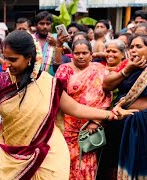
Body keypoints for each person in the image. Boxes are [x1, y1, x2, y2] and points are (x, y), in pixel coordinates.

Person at [0, 30, 137, 179]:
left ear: (29, 57)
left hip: (48, 156)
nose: (7, 63)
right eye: (5, 57)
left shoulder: (48, 83)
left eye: (13, 59)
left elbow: (76, 108)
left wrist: (111, 114)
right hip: (13, 160)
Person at [103, 34, 147, 179]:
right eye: (131, 47)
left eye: (138, 46)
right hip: (120, 124)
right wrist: (128, 69)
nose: (133, 50)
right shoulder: (126, 64)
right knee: (114, 163)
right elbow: (107, 85)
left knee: (144, 166)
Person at [55, 39, 112, 179]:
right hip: (66, 126)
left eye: (84, 53)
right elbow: (56, 96)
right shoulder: (64, 69)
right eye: (77, 53)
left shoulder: (100, 70)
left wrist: (96, 122)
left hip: (90, 127)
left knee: (86, 162)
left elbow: (106, 98)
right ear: (72, 54)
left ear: (91, 54)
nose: (81, 56)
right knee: (64, 162)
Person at [33, 11, 62, 75]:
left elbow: (68, 53)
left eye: (48, 24)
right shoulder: (30, 38)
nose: (45, 26)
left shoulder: (57, 37)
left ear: (51, 25)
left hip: (51, 78)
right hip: (31, 78)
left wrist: (56, 44)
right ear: (36, 25)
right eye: (42, 23)